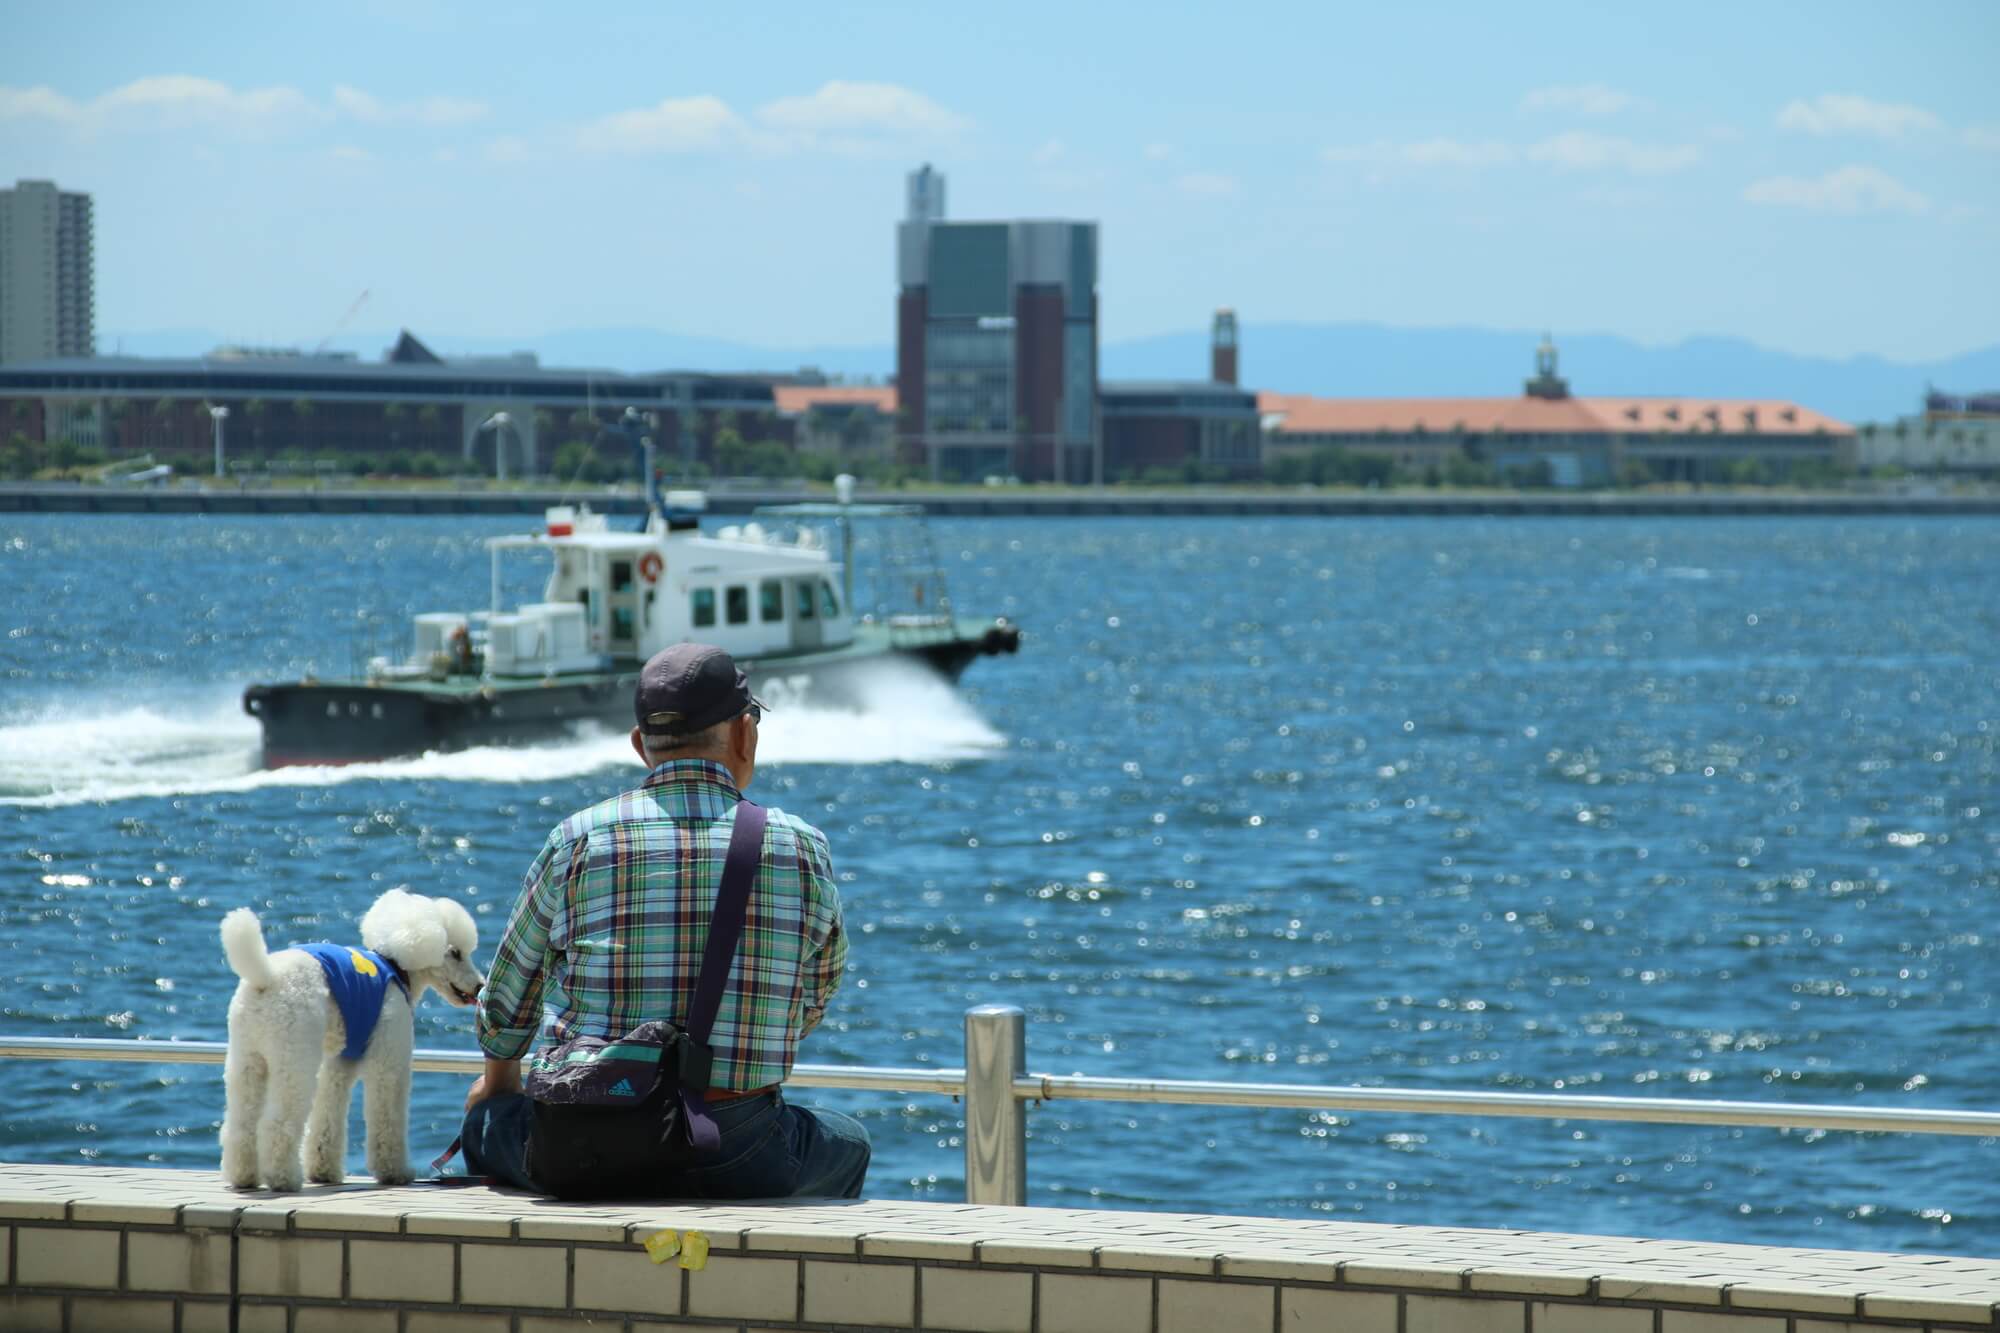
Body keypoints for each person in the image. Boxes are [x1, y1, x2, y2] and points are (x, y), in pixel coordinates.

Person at [460, 642, 869, 1197]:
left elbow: (509, 1000)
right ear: (746, 735)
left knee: (487, 1122)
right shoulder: (800, 846)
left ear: (640, 746)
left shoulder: (578, 838)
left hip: (583, 1144)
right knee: (849, 1141)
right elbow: (815, 993)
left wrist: (497, 1087)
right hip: (735, 1144)